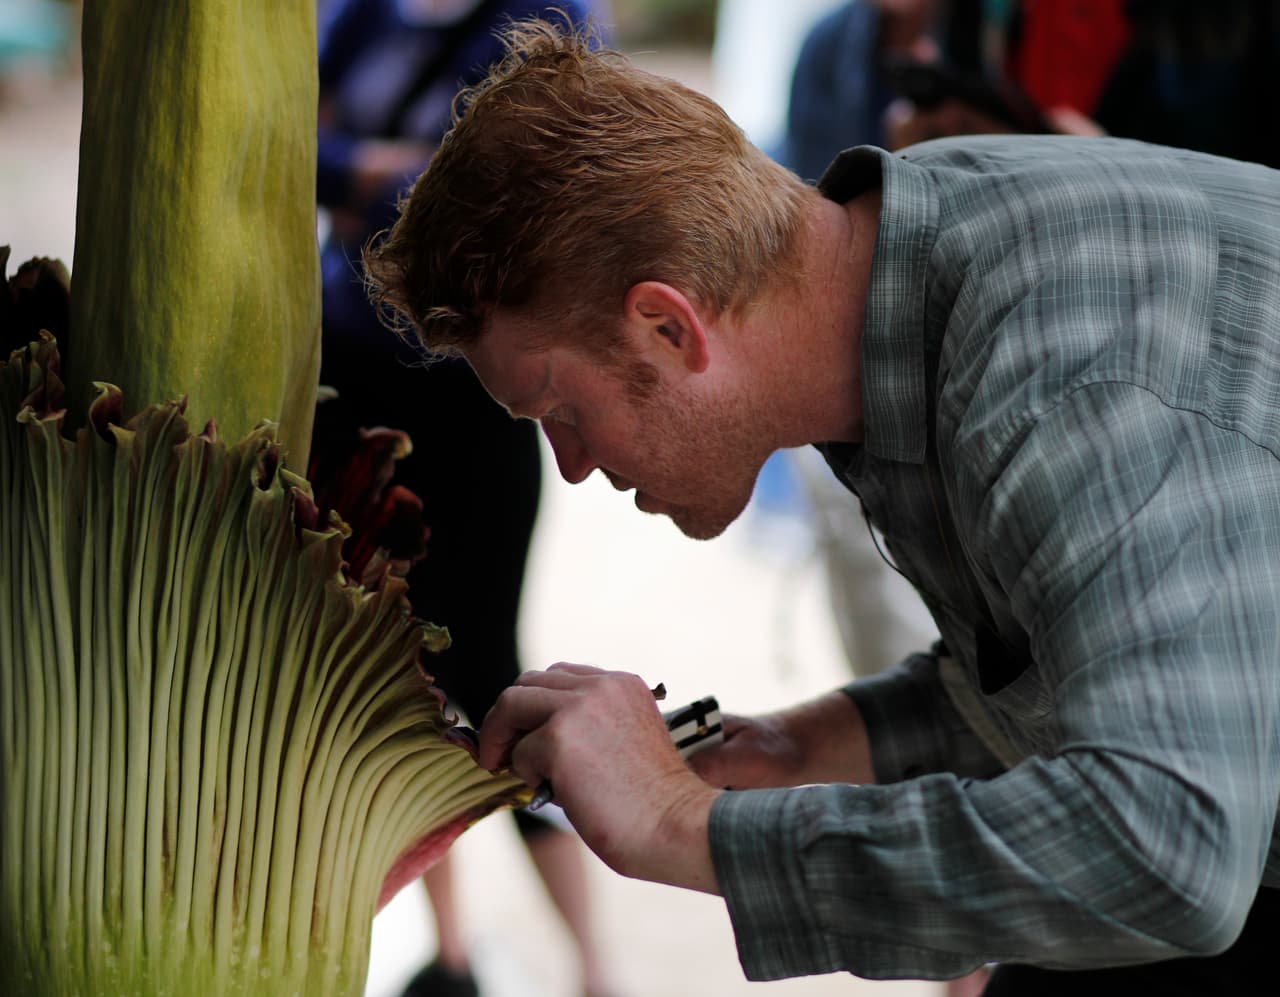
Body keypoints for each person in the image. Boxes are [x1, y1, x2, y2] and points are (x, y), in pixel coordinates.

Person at [362, 16, 1280, 994]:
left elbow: (1165, 850)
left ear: (668, 326)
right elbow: (1087, 658)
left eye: (562, 409)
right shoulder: (912, 274)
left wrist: (681, 825)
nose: (574, 466)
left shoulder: (1049, 380)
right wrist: (795, 746)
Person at [313, 4, 612, 997]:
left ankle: (594, 969)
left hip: (476, 394)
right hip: (351, 372)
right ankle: (448, 958)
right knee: (381, 674)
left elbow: (551, 198)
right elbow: (281, 147)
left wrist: (361, 172)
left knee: (488, 678)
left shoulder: (549, 13)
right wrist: (388, 173)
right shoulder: (354, 14)